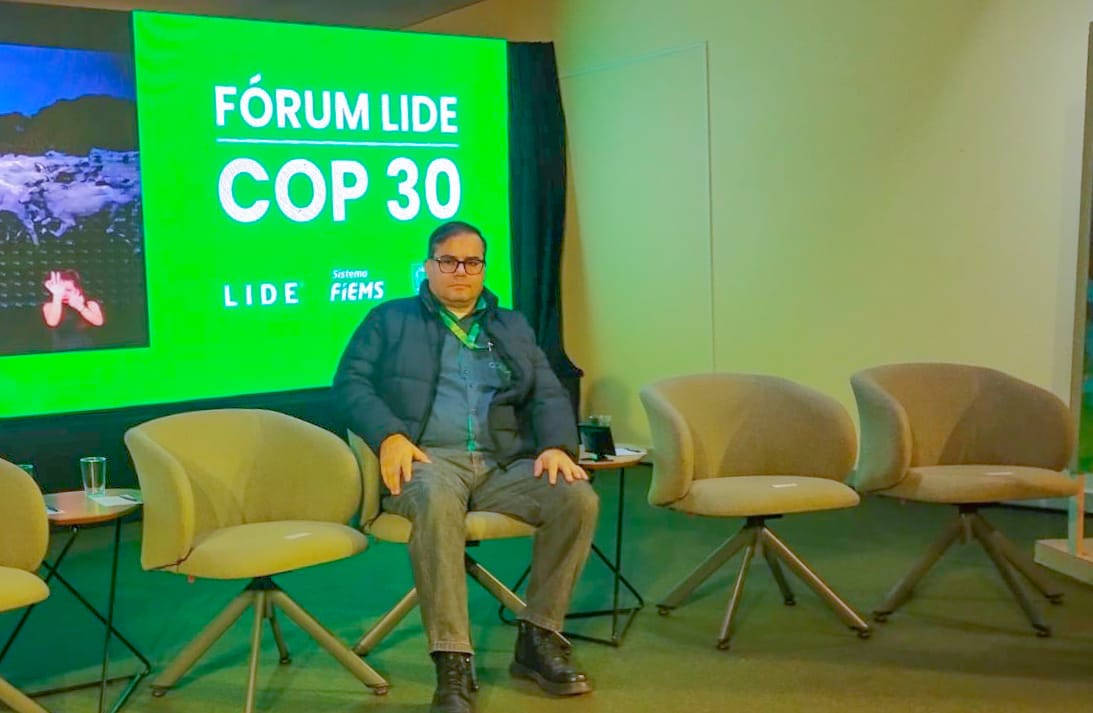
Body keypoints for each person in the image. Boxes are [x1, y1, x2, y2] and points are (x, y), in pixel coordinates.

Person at [334, 220, 598, 713]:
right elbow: (350, 384)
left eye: (471, 262)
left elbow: (547, 391)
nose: (461, 271)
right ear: (428, 266)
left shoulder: (511, 326)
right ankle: (453, 661)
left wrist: (557, 446)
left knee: (576, 499)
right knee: (436, 501)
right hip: (429, 461)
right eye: (449, 261)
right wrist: (389, 434)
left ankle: (539, 637)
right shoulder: (390, 319)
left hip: (501, 464)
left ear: (483, 268)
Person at [41, 269, 104, 350]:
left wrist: (80, 307)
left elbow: (99, 322)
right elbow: (52, 323)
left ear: (77, 289)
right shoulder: (50, 305)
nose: (64, 293)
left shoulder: (90, 304)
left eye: (68, 290)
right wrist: (57, 296)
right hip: (62, 351)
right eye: (61, 290)